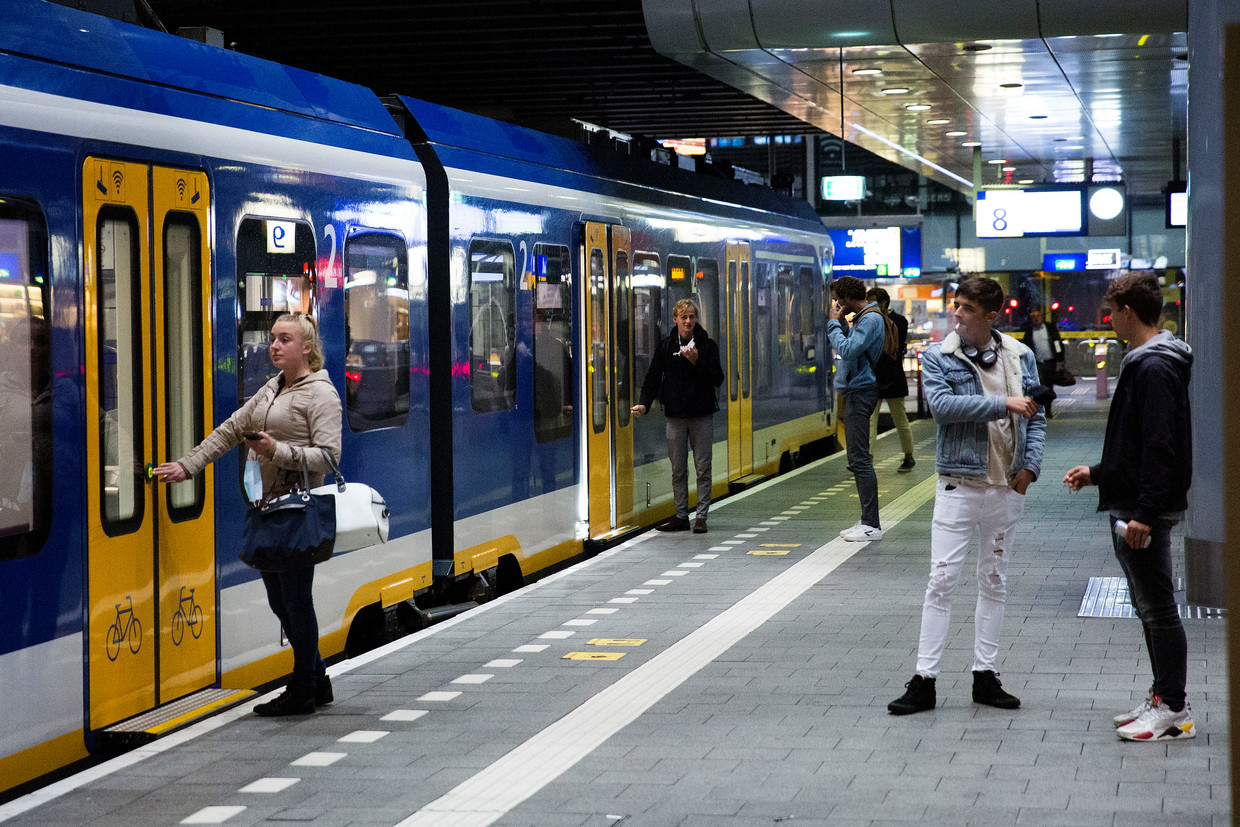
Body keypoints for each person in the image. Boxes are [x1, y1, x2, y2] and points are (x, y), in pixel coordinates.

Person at [154, 314, 342, 717]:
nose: (273, 345)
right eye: (272, 338)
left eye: (284, 339)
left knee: (296, 600)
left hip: (296, 509)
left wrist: (277, 450)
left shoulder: (321, 395)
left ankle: (304, 688)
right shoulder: (271, 390)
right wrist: (189, 466)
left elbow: (329, 457)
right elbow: (230, 430)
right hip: (268, 508)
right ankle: (319, 678)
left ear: (306, 348)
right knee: (280, 601)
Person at [888, 277, 1046, 715]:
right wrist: (1003, 405)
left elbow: (1038, 416)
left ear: (990, 316)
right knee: (941, 580)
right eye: (955, 305)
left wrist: (1030, 468)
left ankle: (985, 675)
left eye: (965, 308)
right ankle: (924, 680)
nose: (955, 313)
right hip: (959, 484)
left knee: (994, 581)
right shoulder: (940, 355)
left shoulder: (1020, 356)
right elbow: (941, 408)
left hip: (1006, 488)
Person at [1064, 272, 1195, 742]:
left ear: (1127, 311)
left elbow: (1161, 447)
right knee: (1148, 606)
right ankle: (1163, 698)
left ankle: (1174, 709)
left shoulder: (1153, 367)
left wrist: (1143, 512)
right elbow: (1136, 443)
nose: (1109, 319)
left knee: (1157, 608)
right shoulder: (1151, 362)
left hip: (1144, 510)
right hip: (1136, 500)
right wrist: (1098, 473)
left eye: (1111, 310)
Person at [632, 298, 724, 534]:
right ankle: (681, 515)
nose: (688, 321)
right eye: (683, 317)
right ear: (675, 319)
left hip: (701, 414)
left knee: (703, 468)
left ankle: (701, 517)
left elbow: (718, 378)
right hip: (674, 415)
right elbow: (653, 377)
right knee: (678, 468)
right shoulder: (666, 346)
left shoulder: (707, 345)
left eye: (692, 317)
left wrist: (697, 362)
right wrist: (644, 403)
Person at [827, 276, 886, 541]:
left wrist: (832, 325)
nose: (836, 304)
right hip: (856, 390)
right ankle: (866, 519)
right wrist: (840, 323)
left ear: (847, 297)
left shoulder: (871, 318)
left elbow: (848, 350)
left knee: (860, 460)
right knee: (857, 459)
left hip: (861, 392)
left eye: (838, 299)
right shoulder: (862, 317)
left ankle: (871, 524)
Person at [866, 288, 915, 472]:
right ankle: (868, 458)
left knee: (899, 419)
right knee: (871, 419)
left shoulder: (898, 321)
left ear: (884, 302)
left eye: (873, 302)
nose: (871, 306)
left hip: (891, 374)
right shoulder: (877, 319)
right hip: (879, 376)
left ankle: (908, 455)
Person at [1023, 307, 1065, 418]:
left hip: (1050, 361)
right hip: (1037, 363)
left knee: (1049, 385)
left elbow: (1057, 343)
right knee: (1039, 385)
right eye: (1033, 317)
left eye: (1038, 316)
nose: (1036, 319)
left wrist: (1060, 358)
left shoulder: (1050, 328)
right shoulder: (1029, 332)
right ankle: (1041, 409)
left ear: (1041, 317)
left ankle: (1048, 408)